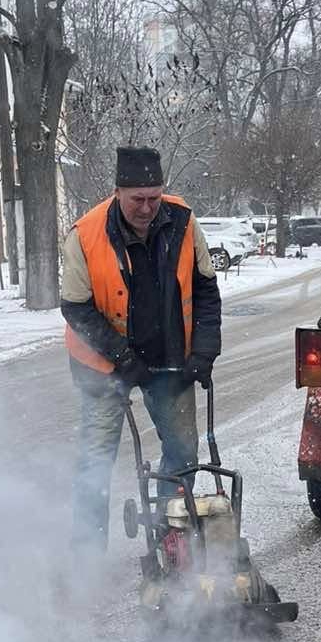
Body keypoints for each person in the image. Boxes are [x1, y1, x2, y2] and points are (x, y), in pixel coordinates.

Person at [61, 146, 222, 546]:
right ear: (118, 192)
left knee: (184, 449)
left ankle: (172, 533)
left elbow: (206, 291)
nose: (148, 208)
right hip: (103, 364)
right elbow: (76, 309)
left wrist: (203, 352)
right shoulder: (86, 235)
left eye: (154, 198)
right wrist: (122, 358)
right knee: (96, 460)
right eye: (138, 200)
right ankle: (86, 553)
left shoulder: (183, 221)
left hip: (169, 358)